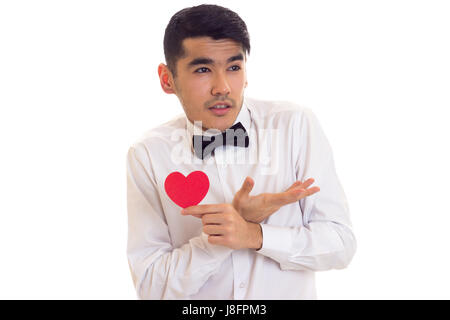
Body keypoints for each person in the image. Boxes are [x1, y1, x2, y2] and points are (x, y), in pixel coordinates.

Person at [126, 4, 356, 300]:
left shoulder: (295, 126)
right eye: (203, 70)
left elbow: (340, 245)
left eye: (234, 67)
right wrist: (220, 237)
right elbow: (151, 287)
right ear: (167, 79)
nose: (222, 87)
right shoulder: (147, 155)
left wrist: (256, 236)